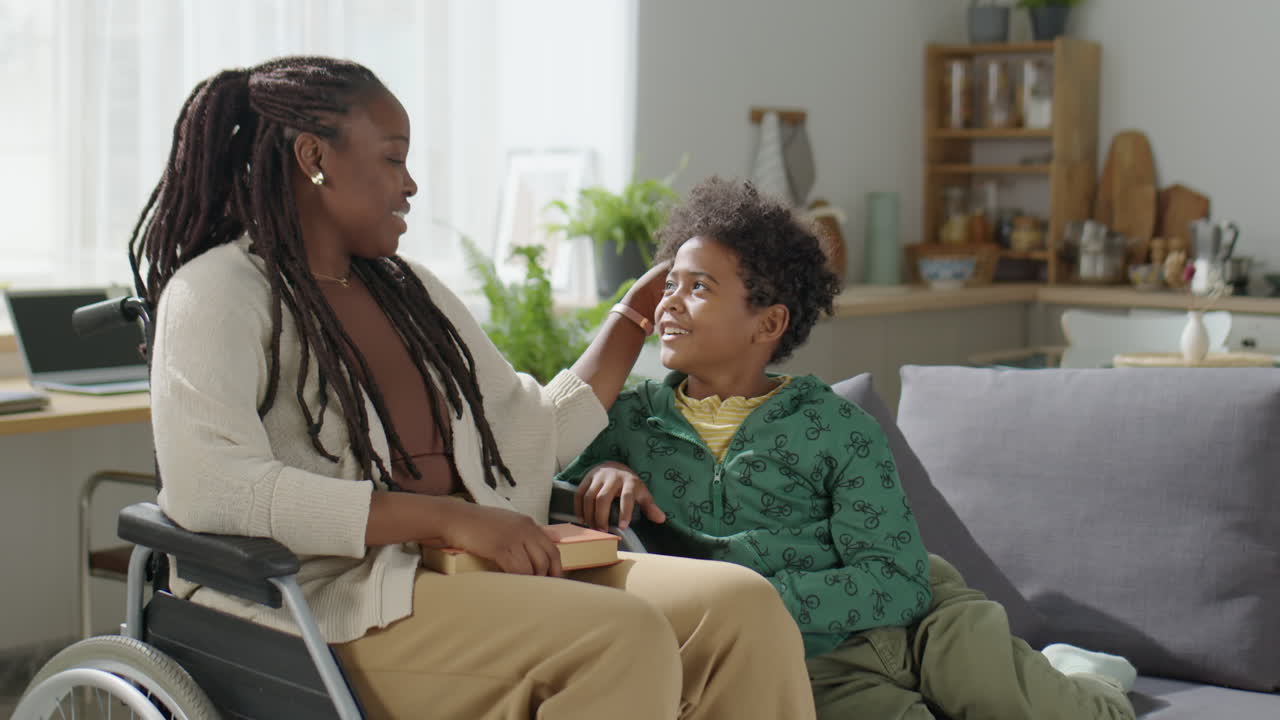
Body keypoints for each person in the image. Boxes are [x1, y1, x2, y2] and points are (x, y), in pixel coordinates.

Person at [132, 57, 815, 719]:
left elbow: (532, 431)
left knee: (741, 607)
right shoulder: (217, 292)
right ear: (315, 158)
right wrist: (450, 519)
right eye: (394, 158)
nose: (411, 186)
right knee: (617, 638)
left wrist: (636, 313)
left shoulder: (412, 292)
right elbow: (213, 486)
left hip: (465, 571)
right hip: (332, 602)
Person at [558, 177, 1139, 720]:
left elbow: (897, 579)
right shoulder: (628, 423)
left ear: (768, 324)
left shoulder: (838, 428)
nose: (669, 303)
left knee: (1018, 700)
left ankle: (1088, 678)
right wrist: (607, 467)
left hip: (927, 623)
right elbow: (545, 479)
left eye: (699, 287)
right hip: (816, 669)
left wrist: (749, 601)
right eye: (670, 286)